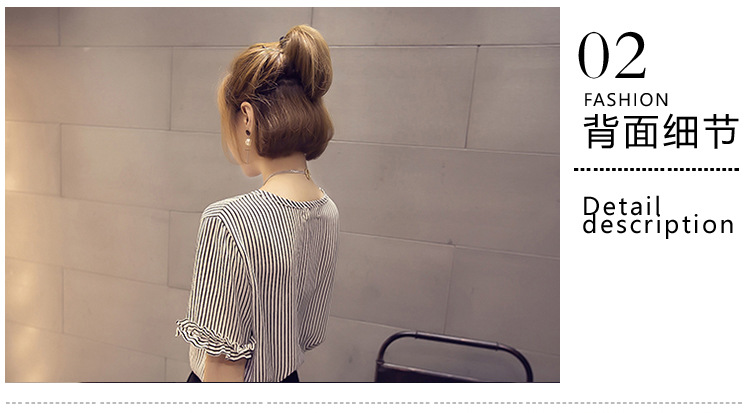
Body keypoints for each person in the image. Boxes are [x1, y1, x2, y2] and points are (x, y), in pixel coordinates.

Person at [175, 24, 339, 382]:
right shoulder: (327, 211)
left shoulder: (227, 220)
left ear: (246, 119)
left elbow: (223, 367)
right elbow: (309, 333)